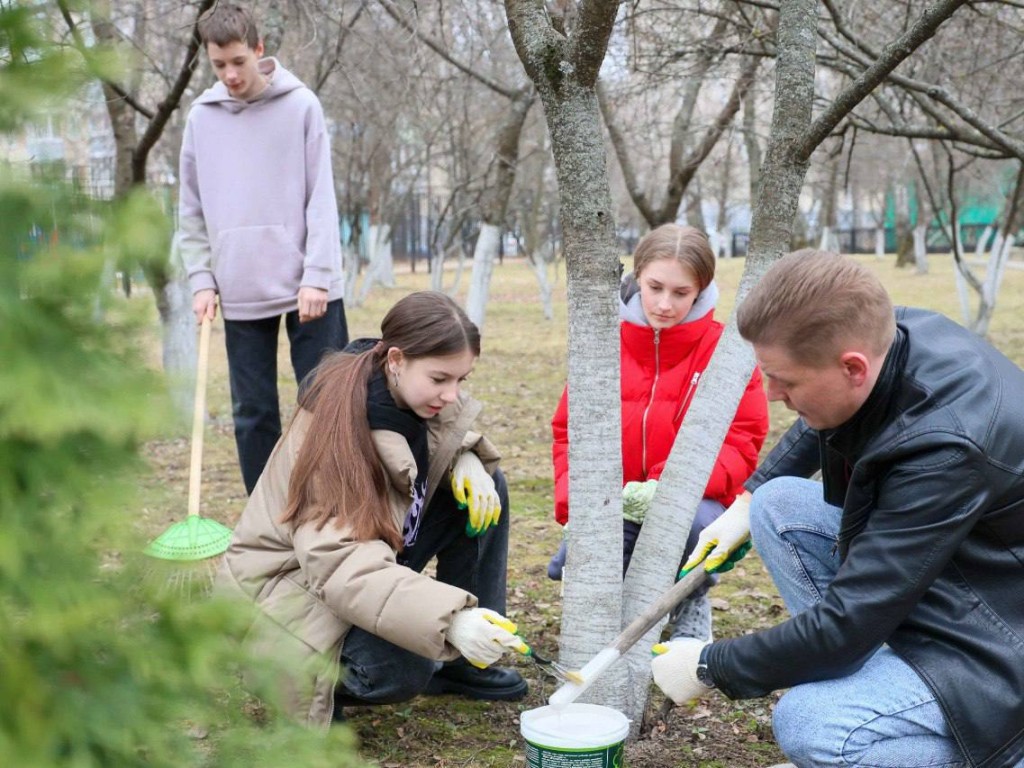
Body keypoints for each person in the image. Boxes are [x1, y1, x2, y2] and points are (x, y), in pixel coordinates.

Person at [651, 250, 1024, 768]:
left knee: (811, 724)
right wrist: (749, 497)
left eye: (786, 381)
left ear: (852, 367)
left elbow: (848, 622)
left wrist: (710, 664)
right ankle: (877, 680)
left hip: (1000, 638)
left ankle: (993, 752)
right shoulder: (890, 335)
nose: (772, 393)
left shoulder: (946, 450)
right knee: (778, 504)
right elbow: (815, 420)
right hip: (958, 573)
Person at [216, 291, 529, 728]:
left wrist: (467, 458)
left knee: (486, 489)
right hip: (288, 597)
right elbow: (340, 565)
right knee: (404, 664)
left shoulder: (389, 385)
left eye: (462, 380)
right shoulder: (337, 435)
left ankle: (470, 659)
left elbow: (437, 434)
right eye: (440, 379)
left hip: (354, 561)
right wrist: (451, 621)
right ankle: (324, 680)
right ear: (397, 359)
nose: (452, 395)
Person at [548, 224, 769, 641]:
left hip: (692, 498)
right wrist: (574, 505)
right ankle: (616, 607)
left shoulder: (726, 351)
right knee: (569, 562)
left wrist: (667, 486)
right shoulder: (602, 344)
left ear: (702, 291)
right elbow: (567, 432)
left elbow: (743, 440)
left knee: (692, 526)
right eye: (655, 287)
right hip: (613, 498)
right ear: (637, 278)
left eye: (681, 293)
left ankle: (688, 601)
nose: (665, 304)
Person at [178, 3, 348, 495]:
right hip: (240, 287)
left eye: (237, 62)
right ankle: (265, 522)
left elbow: (322, 198)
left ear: (258, 49)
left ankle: (331, 510)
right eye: (218, 66)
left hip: (309, 287)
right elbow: (189, 208)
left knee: (325, 407)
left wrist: (318, 273)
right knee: (252, 414)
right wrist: (201, 279)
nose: (229, 75)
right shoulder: (201, 119)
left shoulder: (301, 106)